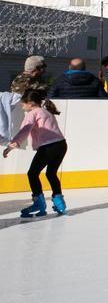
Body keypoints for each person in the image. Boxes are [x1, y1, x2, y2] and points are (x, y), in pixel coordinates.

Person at [4, 89, 69, 217]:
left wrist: (13, 144)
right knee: (51, 173)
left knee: (32, 174)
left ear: (31, 103)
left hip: (48, 147)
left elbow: (25, 129)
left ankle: (39, 203)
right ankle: (59, 203)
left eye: (23, 104)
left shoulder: (33, 113)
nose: (22, 107)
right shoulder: (46, 111)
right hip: (61, 145)